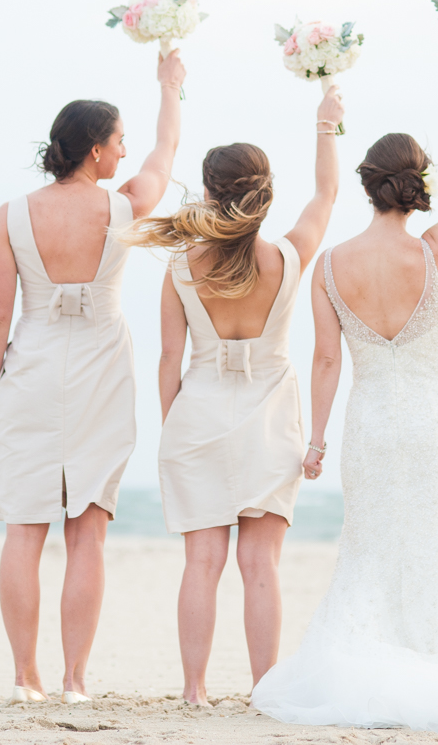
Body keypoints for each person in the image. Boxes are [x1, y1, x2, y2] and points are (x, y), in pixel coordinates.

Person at [251, 47, 438, 733]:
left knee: (373, 543)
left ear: (367, 185)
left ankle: (372, 660)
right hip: (435, 417)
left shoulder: (329, 267)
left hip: (372, 421)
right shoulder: (433, 251)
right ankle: (436, 659)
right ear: (415, 184)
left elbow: (326, 363)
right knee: (437, 540)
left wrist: (314, 441)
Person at [120, 86, 345, 705]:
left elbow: (170, 359)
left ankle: (193, 691)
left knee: (201, 565)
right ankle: (263, 689)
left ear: (210, 191)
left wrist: (176, 427)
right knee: (260, 568)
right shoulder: (289, 258)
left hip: (200, 418)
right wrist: (327, 126)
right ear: (264, 192)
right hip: (271, 423)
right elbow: (326, 195)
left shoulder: (181, 266)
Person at [0, 49, 186, 705]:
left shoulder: (11, 215)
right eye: (118, 142)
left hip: (33, 367)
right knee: (87, 527)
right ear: (95, 151)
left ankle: (24, 679)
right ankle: (73, 682)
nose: (126, 153)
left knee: (23, 528)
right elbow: (168, 147)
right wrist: (171, 85)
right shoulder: (125, 209)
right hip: (100, 364)